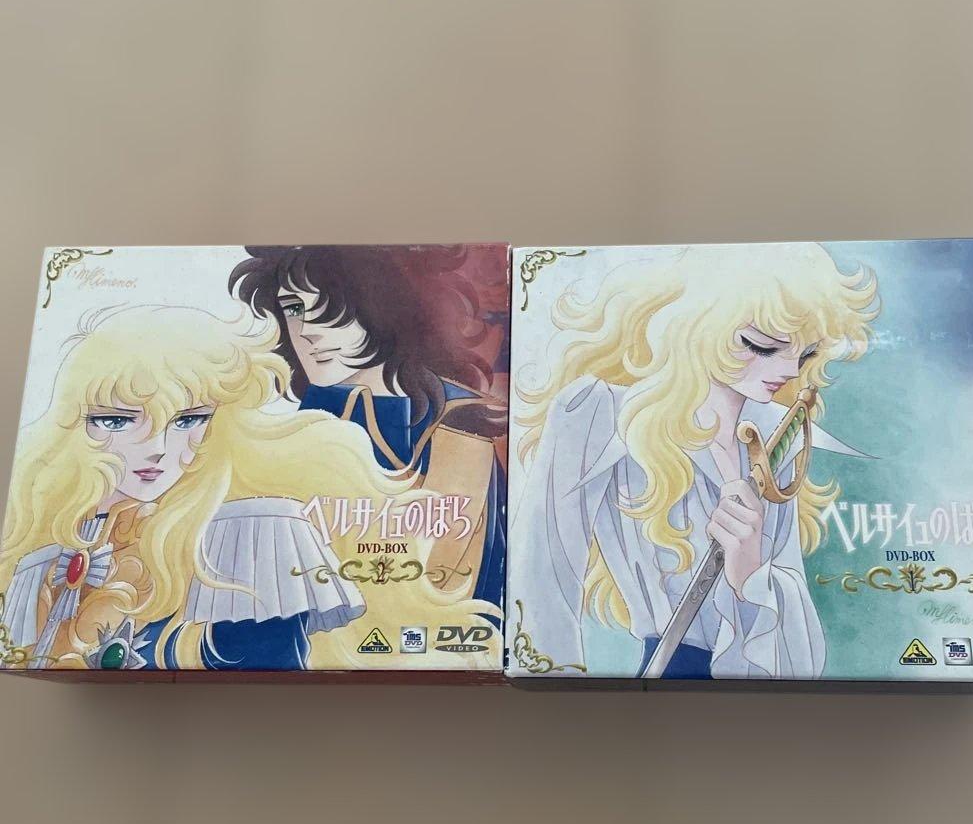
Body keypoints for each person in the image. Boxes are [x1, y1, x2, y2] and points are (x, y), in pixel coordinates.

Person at [0, 305, 482, 671]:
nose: (157, 450)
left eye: (188, 420)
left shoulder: (255, 538)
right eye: (118, 421)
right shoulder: (45, 560)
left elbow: (273, 678)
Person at [510, 243, 879, 679]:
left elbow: (798, 655)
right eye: (762, 346)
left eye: (805, 353)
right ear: (699, 324)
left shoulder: (778, 434)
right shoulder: (598, 413)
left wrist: (749, 572)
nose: (790, 370)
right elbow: (541, 578)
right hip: (659, 678)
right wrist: (559, 695)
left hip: (754, 689)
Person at [229, 245, 506, 609]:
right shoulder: (301, 423)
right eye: (294, 309)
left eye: (333, 309)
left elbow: (451, 579)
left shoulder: (463, 422)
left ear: (381, 307)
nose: (308, 332)